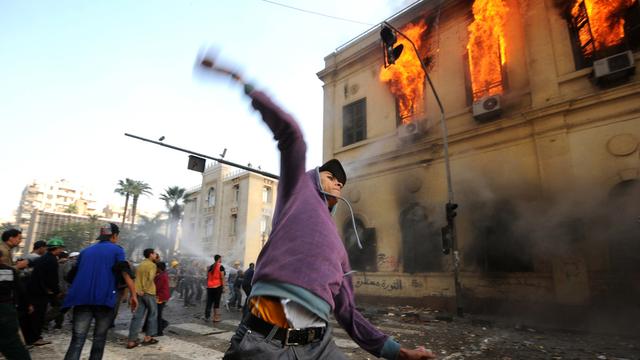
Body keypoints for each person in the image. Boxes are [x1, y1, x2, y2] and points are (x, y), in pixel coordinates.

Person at [199, 58, 435, 360]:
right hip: (267, 341)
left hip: (321, 346)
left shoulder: (338, 247)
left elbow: (349, 313)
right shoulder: (296, 191)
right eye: (330, 176)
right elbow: (291, 136)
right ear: (315, 175)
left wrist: (397, 352)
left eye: (341, 182)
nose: (337, 182)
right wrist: (241, 80)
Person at [63, 223, 138, 360]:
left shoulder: (85, 251)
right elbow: (125, 273)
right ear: (114, 236)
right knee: (99, 338)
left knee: (77, 340)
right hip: (104, 300)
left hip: (81, 299)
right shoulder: (117, 250)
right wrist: (133, 295)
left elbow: (71, 276)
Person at [26, 236, 66, 346]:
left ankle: (31, 337)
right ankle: (34, 338)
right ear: (56, 248)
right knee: (38, 316)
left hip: (35, 290)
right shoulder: (52, 260)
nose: (62, 250)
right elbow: (51, 279)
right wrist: (56, 292)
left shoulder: (43, 258)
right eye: (61, 248)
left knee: (34, 315)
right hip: (41, 292)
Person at [0, 249, 32, 360]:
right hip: (5, 309)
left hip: (5, 309)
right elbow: (19, 289)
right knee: (11, 342)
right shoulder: (7, 270)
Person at [126, 248, 159, 349]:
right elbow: (150, 279)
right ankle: (148, 337)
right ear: (150, 255)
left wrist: (137, 291)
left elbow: (136, 278)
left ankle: (131, 340)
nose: (156, 255)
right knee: (153, 314)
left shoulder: (140, 265)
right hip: (148, 292)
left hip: (138, 293)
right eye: (154, 253)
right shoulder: (152, 265)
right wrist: (144, 289)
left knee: (137, 316)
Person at [204, 254, 225, 323]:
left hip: (209, 287)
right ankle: (216, 318)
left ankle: (207, 316)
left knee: (209, 302)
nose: (221, 260)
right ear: (219, 259)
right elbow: (222, 277)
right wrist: (224, 287)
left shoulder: (210, 267)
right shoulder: (221, 267)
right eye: (221, 258)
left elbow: (207, 277)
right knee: (216, 302)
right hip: (217, 287)